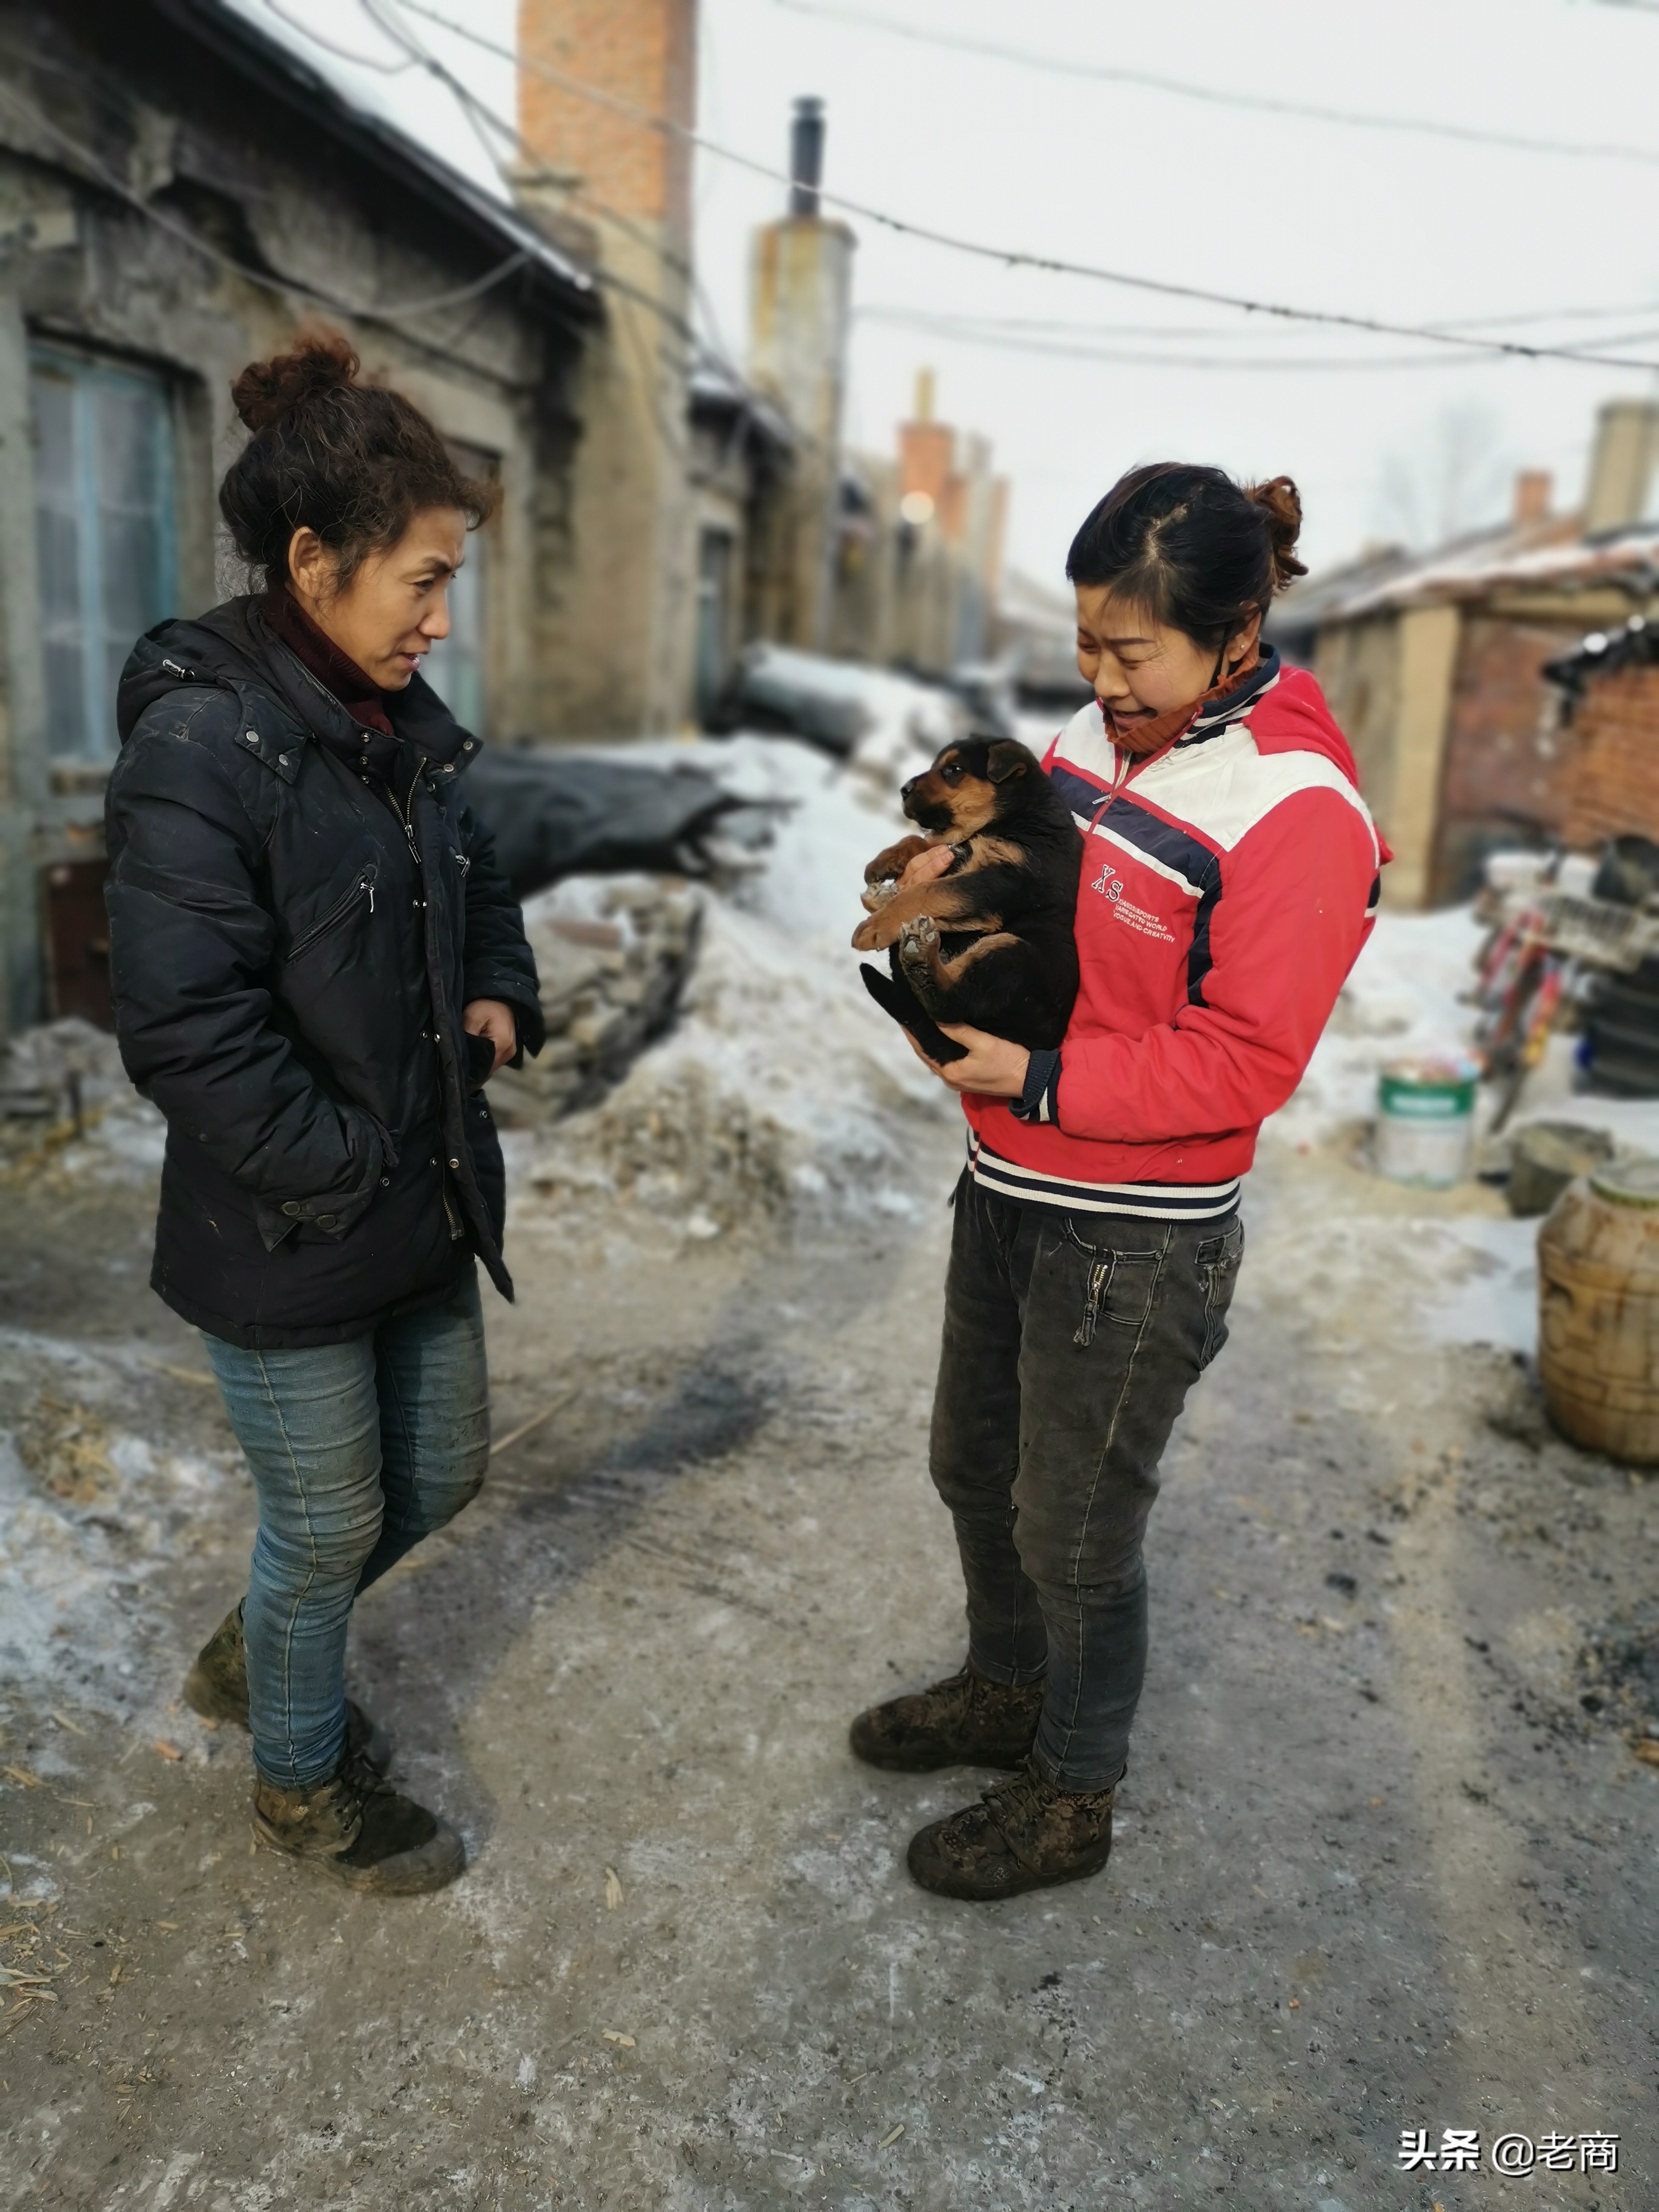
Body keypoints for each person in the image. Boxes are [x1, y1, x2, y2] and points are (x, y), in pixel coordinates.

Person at [848, 464, 1386, 1901]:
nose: (1098, 677)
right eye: (1086, 642)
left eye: (1131, 651)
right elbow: (1032, 892)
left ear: (1237, 629)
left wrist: (1037, 1080)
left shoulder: (1296, 812)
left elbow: (1243, 1060)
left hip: (1133, 1235)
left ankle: (1072, 1795)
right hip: (1007, 1182)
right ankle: (1005, 1685)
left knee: (1076, 1533)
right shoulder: (1091, 739)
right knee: (973, 1464)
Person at [104, 334, 544, 1895]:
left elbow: (475, 872)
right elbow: (182, 1020)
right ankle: (301, 1780)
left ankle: (260, 1652)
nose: (440, 618)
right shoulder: (204, 743)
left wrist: (495, 981)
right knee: (327, 1517)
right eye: (422, 580)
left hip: (407, 1195)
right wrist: (348, 1162)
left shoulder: (393, 726)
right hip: (290, 1218)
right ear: (313, 560)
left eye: (449, 584)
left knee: (444, 1477)